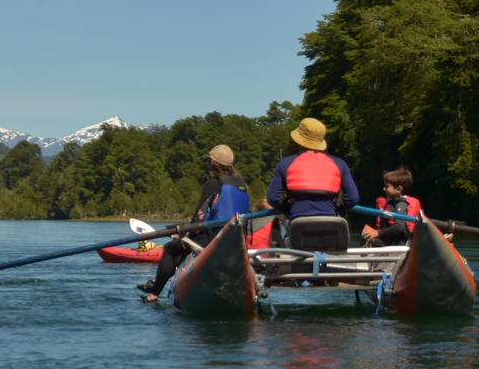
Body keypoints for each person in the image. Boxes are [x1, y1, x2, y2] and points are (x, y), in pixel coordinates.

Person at [138, 145, 250, 303]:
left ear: (212, 162)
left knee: (170, 249)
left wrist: (183, 234)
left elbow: (198, 217)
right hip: (237, 239)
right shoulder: (241, 183)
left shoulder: (212, 184)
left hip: (213, 238)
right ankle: (156, 282)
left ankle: (154, 294)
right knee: (184, 243)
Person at [266, 118, 359, 222]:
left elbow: (273, 198)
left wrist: (288, 210)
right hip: (331, 223)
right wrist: (336, 209)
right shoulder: (340, 164)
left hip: (298, 223)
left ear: (299, 140)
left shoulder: (284, 164)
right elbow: (353, 198)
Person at [362, 167, 421, 246]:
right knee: (366, 232)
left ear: (399, 189)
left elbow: (399, 227)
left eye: (387, 186)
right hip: (394, 240)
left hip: (400, 243)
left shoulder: (401, 204)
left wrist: (378, 233)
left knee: (365, 238)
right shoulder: (396, 202)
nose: (384, 189)